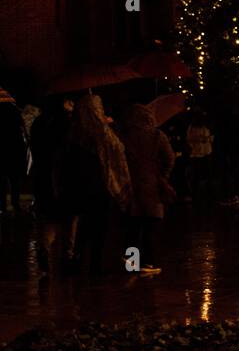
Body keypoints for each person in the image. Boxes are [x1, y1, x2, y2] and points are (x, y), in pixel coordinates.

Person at [60, 95, 130, 277]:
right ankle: (95, 264)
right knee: (99, 226)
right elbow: (119, 152)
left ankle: (79, 259)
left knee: (83, 226)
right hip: (100, 187)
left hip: (80, 187)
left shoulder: (73, 132)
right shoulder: (104, 132)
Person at [120, 104, 175, 275]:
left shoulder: (124, 136)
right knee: (151, 225)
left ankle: (132, 262)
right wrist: (162, 176)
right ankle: (148, 263)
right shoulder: (157, 136)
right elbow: (169, 158)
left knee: (133, 226)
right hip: (152, 185)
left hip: (131, 184)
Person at [28, 98, 72, 274]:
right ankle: (67, 255)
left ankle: (45, 248)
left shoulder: (39, 123)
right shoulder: (67, 124)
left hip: (43, 178)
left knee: (47, 219)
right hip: (63, 179)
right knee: (68, 219)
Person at [0, 87, 28, 219]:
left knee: (2, 180)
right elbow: (23, 133)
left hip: (3, 151)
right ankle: (15, 204)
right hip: (14, 151)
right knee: (14, 179)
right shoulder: (15, 112)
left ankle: (2, 206)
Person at [185, 109, 214, 204]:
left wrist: (207, 139)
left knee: (206, 175)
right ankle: (197, 195)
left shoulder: (204, 127)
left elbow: (209, 139)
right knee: (197, 176)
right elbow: (190, 140)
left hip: (204, 153)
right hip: (197, 154)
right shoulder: (193, 128)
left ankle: (206, 195)